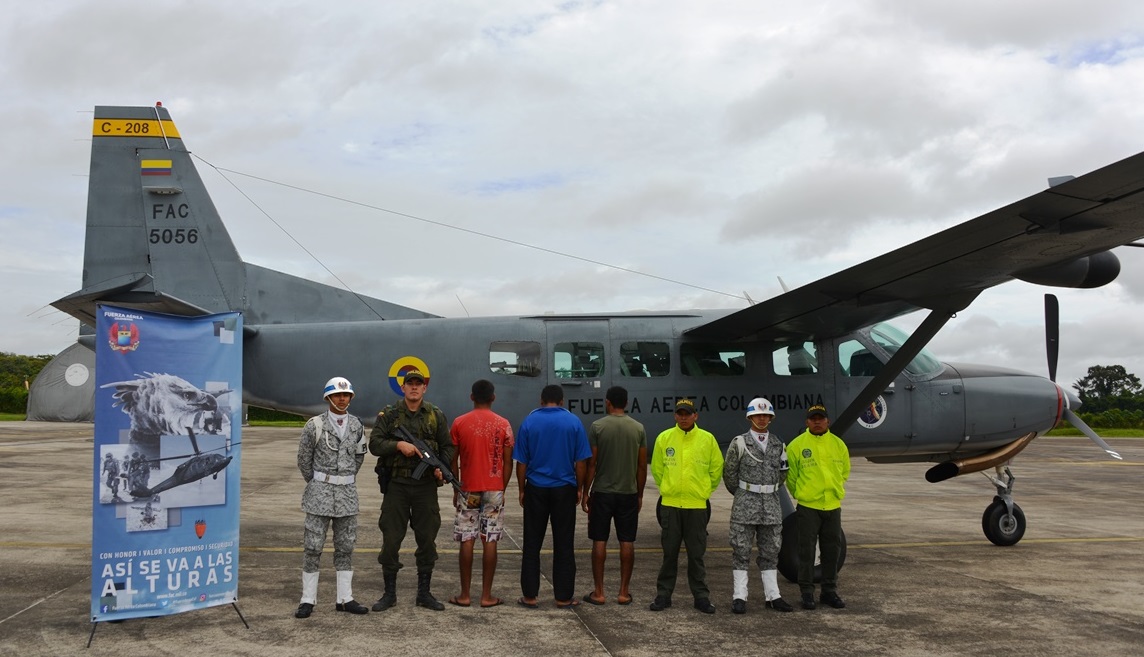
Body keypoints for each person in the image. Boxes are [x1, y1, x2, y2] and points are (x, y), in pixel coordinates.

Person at [370, 369, 452, 612]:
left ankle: (424, 593)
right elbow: (374, 444)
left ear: (424, 388)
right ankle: (389, 594)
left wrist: (441, 468)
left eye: (419, 384)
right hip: (397, 487)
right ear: (403, 388)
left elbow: (447, 446)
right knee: (391, 538)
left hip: (425, 487)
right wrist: (399, 445)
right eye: (410, 384)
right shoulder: (390, 414)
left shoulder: (435, 415)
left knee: (427, 539)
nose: (414, 388)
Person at [294, 376, 369, 618]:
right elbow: (303, 460)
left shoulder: (357, 425)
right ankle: (308, 599)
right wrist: (320, 482)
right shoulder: (314, 425)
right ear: (328, 398)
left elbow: (359, 457)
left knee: (346, 547)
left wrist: (343, 479)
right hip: (319, 495)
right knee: (312, 547)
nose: (342, 399)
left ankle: (345, 598)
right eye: (337, 395)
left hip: (347, 496)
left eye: (346, 395)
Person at [513, 384, 591, 609]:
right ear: (562, 401)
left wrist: (521, 489)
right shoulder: (573, 422)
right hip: (564, 488)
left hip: (536, 488)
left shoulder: (529, 422)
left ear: (541, 400)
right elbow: (581, 462)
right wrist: (579, 488)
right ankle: (563, 597)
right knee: (564, 543)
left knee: (532, 543)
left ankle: (530, 596)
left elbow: (522, 462)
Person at [649, 398, 724, 614]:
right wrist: (668, 488)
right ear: (675, 416)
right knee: (669, 553)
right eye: (680, 414)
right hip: (671, 504)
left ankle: (701, 596)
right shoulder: (665, 438)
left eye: (687, 414)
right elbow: (657, 468)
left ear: (695, 416)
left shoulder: (707, 439)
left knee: (696, 554)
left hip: (697, 506)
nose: (683, 417)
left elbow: (716, 469)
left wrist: (703, 492)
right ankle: (664, 595)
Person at [722, 397, 794, 614]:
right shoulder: (740, 443)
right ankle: (739, 597)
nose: (761, 419)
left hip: (770, 506)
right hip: (745, 505)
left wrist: (766, 490)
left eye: (765, 415)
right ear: (750, 417)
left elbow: (783, 473)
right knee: (741, 550)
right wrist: (745, 492)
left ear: (770, 418)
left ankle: (773, 596)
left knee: (771, 550)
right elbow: (729, 475)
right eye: (757, 415)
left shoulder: (778, 444)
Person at [447, 379, 514, 608]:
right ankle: (486, 596)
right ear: (493, 397)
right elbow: (507, 462)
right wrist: (501, 488)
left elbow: (452, 460)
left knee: (467, 539)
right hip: (494, 489)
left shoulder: (459, 423)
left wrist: (457, 487)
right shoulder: (503, 424)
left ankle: (465, 595)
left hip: (468, 488)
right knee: (490, 540)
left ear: (471, 397)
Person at [581, 386, 647, 606]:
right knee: (626, 540)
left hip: (602, 492)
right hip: (628, 493)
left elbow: (592, 463)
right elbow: (641, 466)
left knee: (599, 540)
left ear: (607, 402)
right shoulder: (638, 429)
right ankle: (623, 592)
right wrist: (639, 494)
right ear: (626, 403)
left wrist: (585, 491)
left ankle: (599, 592)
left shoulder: (597, 427)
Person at [785, 404, 851, 610]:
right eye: (813, 418)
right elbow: (791, 477)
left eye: (820, 418)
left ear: (827, 421)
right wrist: (802, 494)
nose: (817, 421)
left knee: (832, 550)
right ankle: (806, 593)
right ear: (807, 422)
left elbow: (844, 471)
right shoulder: (796, 446)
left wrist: (834, 490)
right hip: (808, 506)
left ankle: (829, 591)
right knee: (806, 551)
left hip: (832, 505)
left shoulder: (838, 444)